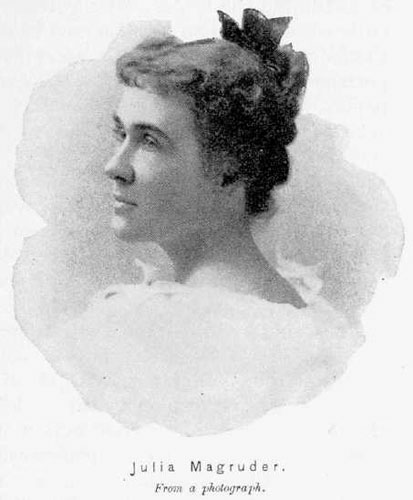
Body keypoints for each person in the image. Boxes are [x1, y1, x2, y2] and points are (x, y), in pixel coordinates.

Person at [43, 9, 361, 436]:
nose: (114, 166)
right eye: (121, 135)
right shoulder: (305, 322)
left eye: (149, 140)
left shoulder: (145, 336)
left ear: (229, 165)